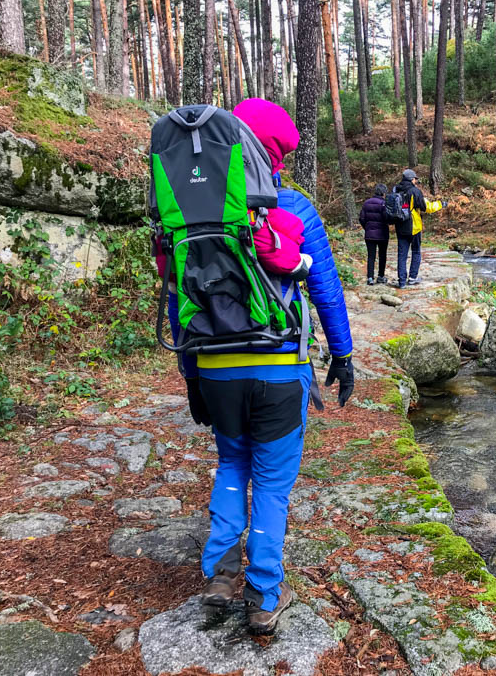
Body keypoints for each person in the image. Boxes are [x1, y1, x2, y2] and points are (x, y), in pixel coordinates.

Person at [158, 98, 354, 634]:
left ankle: (220, 576)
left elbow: (179, 299)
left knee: (231, 465)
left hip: (216, 370)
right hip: (278, 371)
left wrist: (192, 376)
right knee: (271, 484)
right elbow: (325, 290)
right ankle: (264, 596)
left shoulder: (187, 216)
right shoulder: (291, 206)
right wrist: (343, 354)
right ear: (275, 153)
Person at [393, 169, 443, 288]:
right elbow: (426, 207)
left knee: (402, 254)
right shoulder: (414, 191)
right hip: (414, 227)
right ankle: (412, 278)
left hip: (400, 226)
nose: (416, 181)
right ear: (411, 179)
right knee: (416, 252)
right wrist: (441, 204)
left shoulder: (396, 189)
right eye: (415, 179)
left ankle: (401, 281)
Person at [359, 184, 390, 285]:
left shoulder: (366, 203)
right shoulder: (384, 204)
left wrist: (367, 227)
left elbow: (362, 218)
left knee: (371, 256)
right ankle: (381, 276)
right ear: (383, 193)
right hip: (383, 234)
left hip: (369, 234)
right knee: (382, 255)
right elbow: (387, 218)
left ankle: (370, 277)